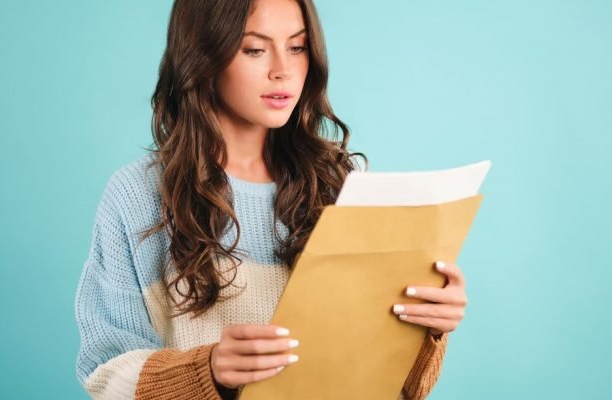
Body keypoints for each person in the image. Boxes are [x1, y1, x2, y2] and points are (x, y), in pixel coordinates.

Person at [74, 0, 469, 399]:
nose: (283, 70)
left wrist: (428, 326)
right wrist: (208, 371)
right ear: (203, 53)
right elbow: (106, 375)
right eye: (254, 49)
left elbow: (395, 385)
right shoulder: (139, 195)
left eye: (297, 47)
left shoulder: (343, 182)